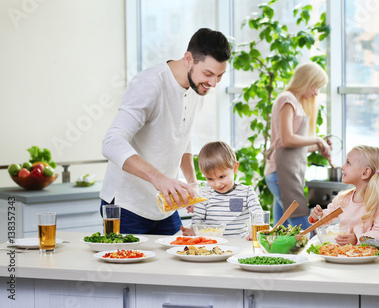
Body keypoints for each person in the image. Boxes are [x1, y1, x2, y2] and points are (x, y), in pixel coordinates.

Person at [100, 28, 231, 235]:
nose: (213, 83)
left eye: (220, 76)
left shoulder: (197, 88)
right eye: (208, 74)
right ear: (188, 59)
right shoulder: (149, 85)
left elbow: (182, 137)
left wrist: (192, 183)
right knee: (132, 267)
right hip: (128, 207)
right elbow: (111, 142)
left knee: (178, 264)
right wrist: (159, 179)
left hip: (165, 207)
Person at [264, 62, 332, 230]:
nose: (316, 92)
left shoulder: (295, 102)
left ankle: (276, 256)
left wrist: (319, 145)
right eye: (316, 86)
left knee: (280, 229)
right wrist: (317, 140)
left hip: (285, 173)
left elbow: (292, 147)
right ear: (306, 81)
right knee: (303, 227)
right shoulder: (287, 99)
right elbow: (287, 140)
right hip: (281, 174)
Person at [309, 145, 379, 245]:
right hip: (343, 254)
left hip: (366, 256)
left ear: (365, 172)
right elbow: (326, 218)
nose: (342, 166)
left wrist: (357, 239)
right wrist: (318, 216)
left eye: (348, 163)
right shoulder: (343, 198)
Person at [181, 141, 263, 237]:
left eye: (222, 177)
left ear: (235, 168)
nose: (217, 184)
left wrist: (257, 229)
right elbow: (198, 219)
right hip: (212, 245)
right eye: (210, 179)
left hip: (239, 244)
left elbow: (257, 213)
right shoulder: (204, 195)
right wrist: (194, 230)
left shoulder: (246, 192)